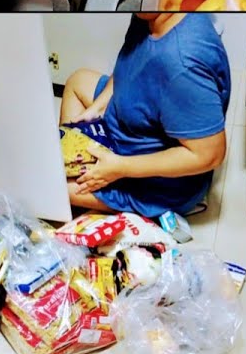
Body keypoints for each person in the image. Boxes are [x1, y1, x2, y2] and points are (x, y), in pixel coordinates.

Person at [59, 13, 230, 218]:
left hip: (157, 183)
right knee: (78, 81)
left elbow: (210, 155)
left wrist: (121, 167)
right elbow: (128, 65)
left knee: (56, 185)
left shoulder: (181, 64)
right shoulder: (151, 16)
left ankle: (110, 196)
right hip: (134, 121)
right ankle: (82, 166)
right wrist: (98, 107)